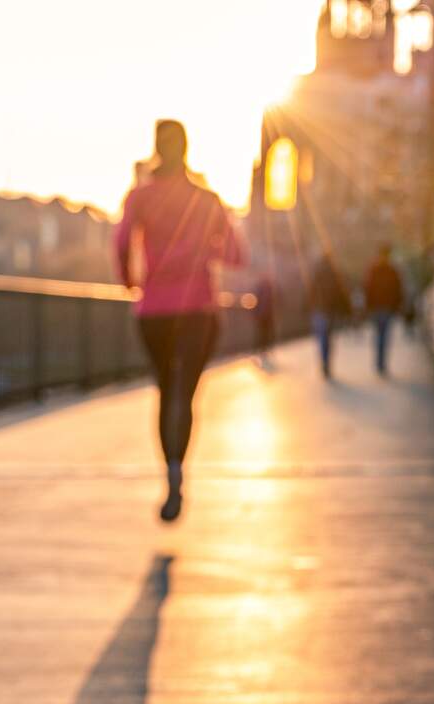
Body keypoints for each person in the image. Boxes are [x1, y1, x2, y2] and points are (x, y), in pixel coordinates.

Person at [114, 120, 245, 522]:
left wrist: (131, 282)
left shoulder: (140, 197)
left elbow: (121, 243)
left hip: (153, 310)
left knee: (165, 391)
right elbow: (237, 254)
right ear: (186, 148)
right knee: (184, 394)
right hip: (198, 310)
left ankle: (168, 471)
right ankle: (177, 471)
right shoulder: (206, 199)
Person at [307, 252, 351, 378]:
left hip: (318, 310)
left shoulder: (317, 273)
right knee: (328, 337)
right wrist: (346, 310)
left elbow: (311, 290)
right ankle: (327, 362)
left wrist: (306, 307)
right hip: (330, 310)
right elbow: (341, 293)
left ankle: (323, 361)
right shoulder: (335, 274)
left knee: (321, 337)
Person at [363, 244, 404, 375]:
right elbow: (398, 290)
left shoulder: (373, 269)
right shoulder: (392, 270)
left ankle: (379, 362)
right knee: (384, 335)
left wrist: (368, 305)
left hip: (377, 307)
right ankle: (382, 363)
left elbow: (367, 288)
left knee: (379, 335)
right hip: (387, 307)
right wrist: (397, 305)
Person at [252, 272, 277, 369]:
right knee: (263, 334)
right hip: (264, 315)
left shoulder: (264, 287)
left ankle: (263, 350)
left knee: (263, 334)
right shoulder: (267, 287)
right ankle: (262, 351)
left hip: (265, 315)